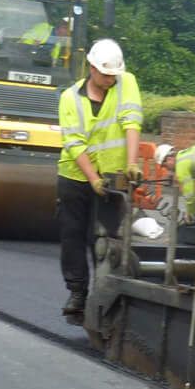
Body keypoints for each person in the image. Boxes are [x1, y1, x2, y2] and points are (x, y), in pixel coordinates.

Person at [56, 38, 142, 320]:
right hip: (75, 176)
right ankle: (78, 291)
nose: (110, 80)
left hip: (113, 178)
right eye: (105, 74)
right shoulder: (70, 98)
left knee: (105, 237)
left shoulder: (126, 81)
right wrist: (92, 178)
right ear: (91, 68)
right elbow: (75, 144)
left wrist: (131, 162)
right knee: (73, 235)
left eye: (113, 75)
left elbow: (131, 121)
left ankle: (102, 292)